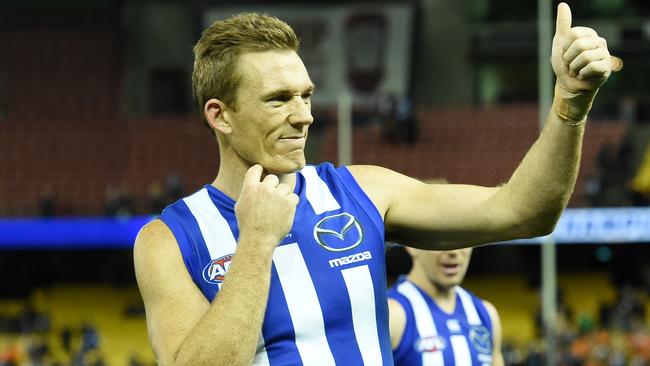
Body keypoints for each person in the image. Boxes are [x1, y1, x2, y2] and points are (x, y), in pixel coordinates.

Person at [133, 3, 617, 365]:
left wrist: (570, 103)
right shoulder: (168, 240)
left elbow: (523, 211)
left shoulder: (362, 192)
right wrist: (257, 243)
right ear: (220, 115)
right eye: (278, 100)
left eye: (306, 95)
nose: (304, 116)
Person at [387, 246, 504, 366]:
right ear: (411, 246)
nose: (453, 251)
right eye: (441, 240)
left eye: (463, 239)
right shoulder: (392, 315)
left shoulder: (486, 314)